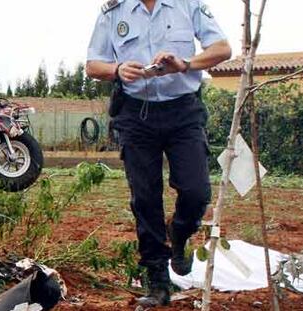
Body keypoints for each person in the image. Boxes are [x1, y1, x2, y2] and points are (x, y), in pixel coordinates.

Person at [86, 0, 231, 306]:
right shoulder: (113, 11)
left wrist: (186, 64)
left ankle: (179, 233)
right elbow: (92, 64)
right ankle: (158, 282)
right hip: (136, 114)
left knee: (195, 191)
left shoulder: (188, 5)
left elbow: (222, 48)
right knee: (145, 197)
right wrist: (117, 69)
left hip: (183, 111)